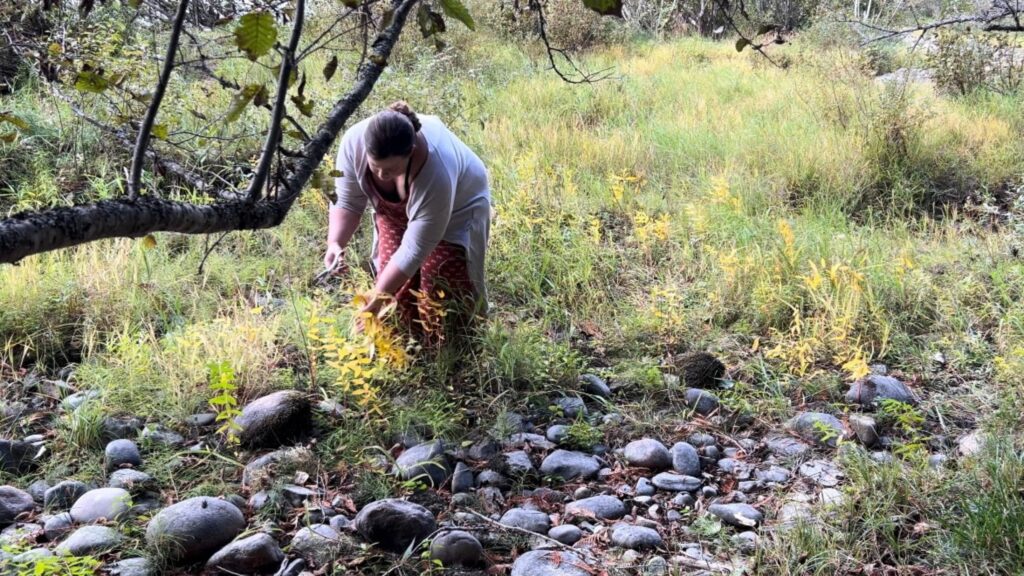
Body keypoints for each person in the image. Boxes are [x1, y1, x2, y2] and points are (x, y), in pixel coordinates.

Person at [324, 101, 491, 345]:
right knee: (396, 291)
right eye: (376, 167)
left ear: (411, 151)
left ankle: (453, 357)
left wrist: (373, 304)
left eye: (391, 169)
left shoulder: (437, 168)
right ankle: (408, 354)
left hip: (458, 210)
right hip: (396, 213)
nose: (382, 175)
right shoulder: (354, 143)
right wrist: (335, 243)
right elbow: (348, 201)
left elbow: (414, 249)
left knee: (440, 288)